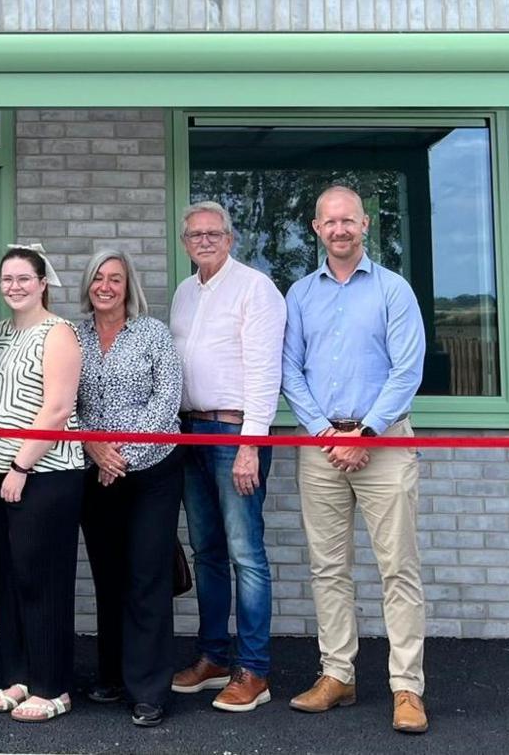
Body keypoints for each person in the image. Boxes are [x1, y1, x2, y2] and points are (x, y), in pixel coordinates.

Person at [281, 185, 429, 735]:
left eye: (349, 220)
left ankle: (407, 687)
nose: (339, 229)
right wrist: (325, 431)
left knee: (398, 569)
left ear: (365, 224)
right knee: (328, 567)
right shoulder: (300, 294)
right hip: (320, 446)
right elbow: (289, 370)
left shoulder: (393, 291)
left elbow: (407, 371)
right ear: (316, 229)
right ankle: (337, 674)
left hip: (384, 442)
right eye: (329, 222)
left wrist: (365, 431)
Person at [168, 201, 286, 713]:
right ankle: (214, 657)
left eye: (214, 233)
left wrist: (250, 444)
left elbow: (265, 371)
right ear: (185, 242)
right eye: (195, 235)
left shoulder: (255, 288)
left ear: (231, 238)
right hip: (191, 432)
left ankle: (254, 670)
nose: (205, 241)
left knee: (245, 554)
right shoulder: (184, 293)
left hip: (236, 433)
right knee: (207, 551)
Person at [73, 247, 183, 728]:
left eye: (115, 278)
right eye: (98, 278)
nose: (105, 286)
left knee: (146, 577)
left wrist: (123, 458)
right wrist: (96, 450)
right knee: (108, 577)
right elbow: (62, 401)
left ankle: (150, 689)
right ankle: (112, 674)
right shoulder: (72, 336)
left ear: (128, 285)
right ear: (87, 285)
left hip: (151, 472)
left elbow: (167, 403)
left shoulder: (153, 334)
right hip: (95, 472)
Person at [0, 245, 86, 723]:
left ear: (43, 283)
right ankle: (18, 675)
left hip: (44, 473)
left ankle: (53, 686)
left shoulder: (57, 332)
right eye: (8, 279)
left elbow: (59, 408)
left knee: (42, 579)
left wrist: (21, 466)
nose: (15, 286)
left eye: (24, 278)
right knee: (9, 579)